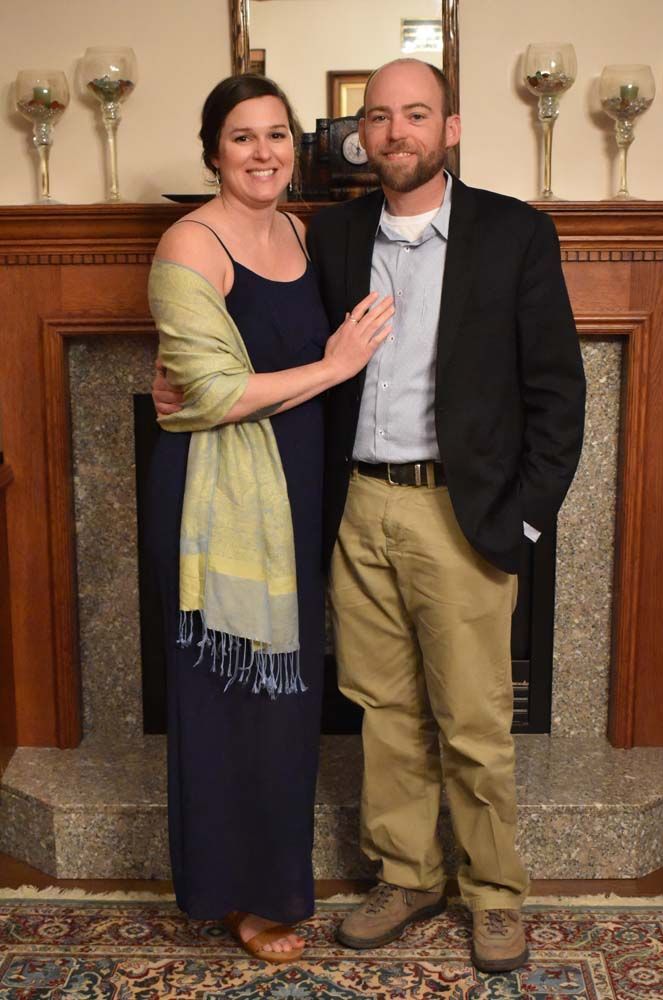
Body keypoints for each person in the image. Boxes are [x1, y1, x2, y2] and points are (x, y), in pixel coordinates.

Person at [154, 58, 586, 973]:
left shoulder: (514, 233)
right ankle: (405, 875)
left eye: (416, 115)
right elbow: (254, 344)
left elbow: (557, 394)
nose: (396, 132)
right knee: (382, 711)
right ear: (360, 135)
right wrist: (181, 388)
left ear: (449, 129)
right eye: (379, 117)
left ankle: (493, 892)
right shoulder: (331, 234)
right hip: (357, 507)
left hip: (459, 513)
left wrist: (524, 522)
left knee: (472, 719)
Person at [145, 73, 393, 965]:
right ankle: (236, 897)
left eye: (277, 134)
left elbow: (216, 376)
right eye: (242, 136)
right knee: (228, 701)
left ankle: (272, 884)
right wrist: (335, 366)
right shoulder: (190, 241)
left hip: (296, 488)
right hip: (217, 503)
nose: (263, 152)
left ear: (297, 145)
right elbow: (210, 391)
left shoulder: (300, 232)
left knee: (284, 704)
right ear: (213, 151)